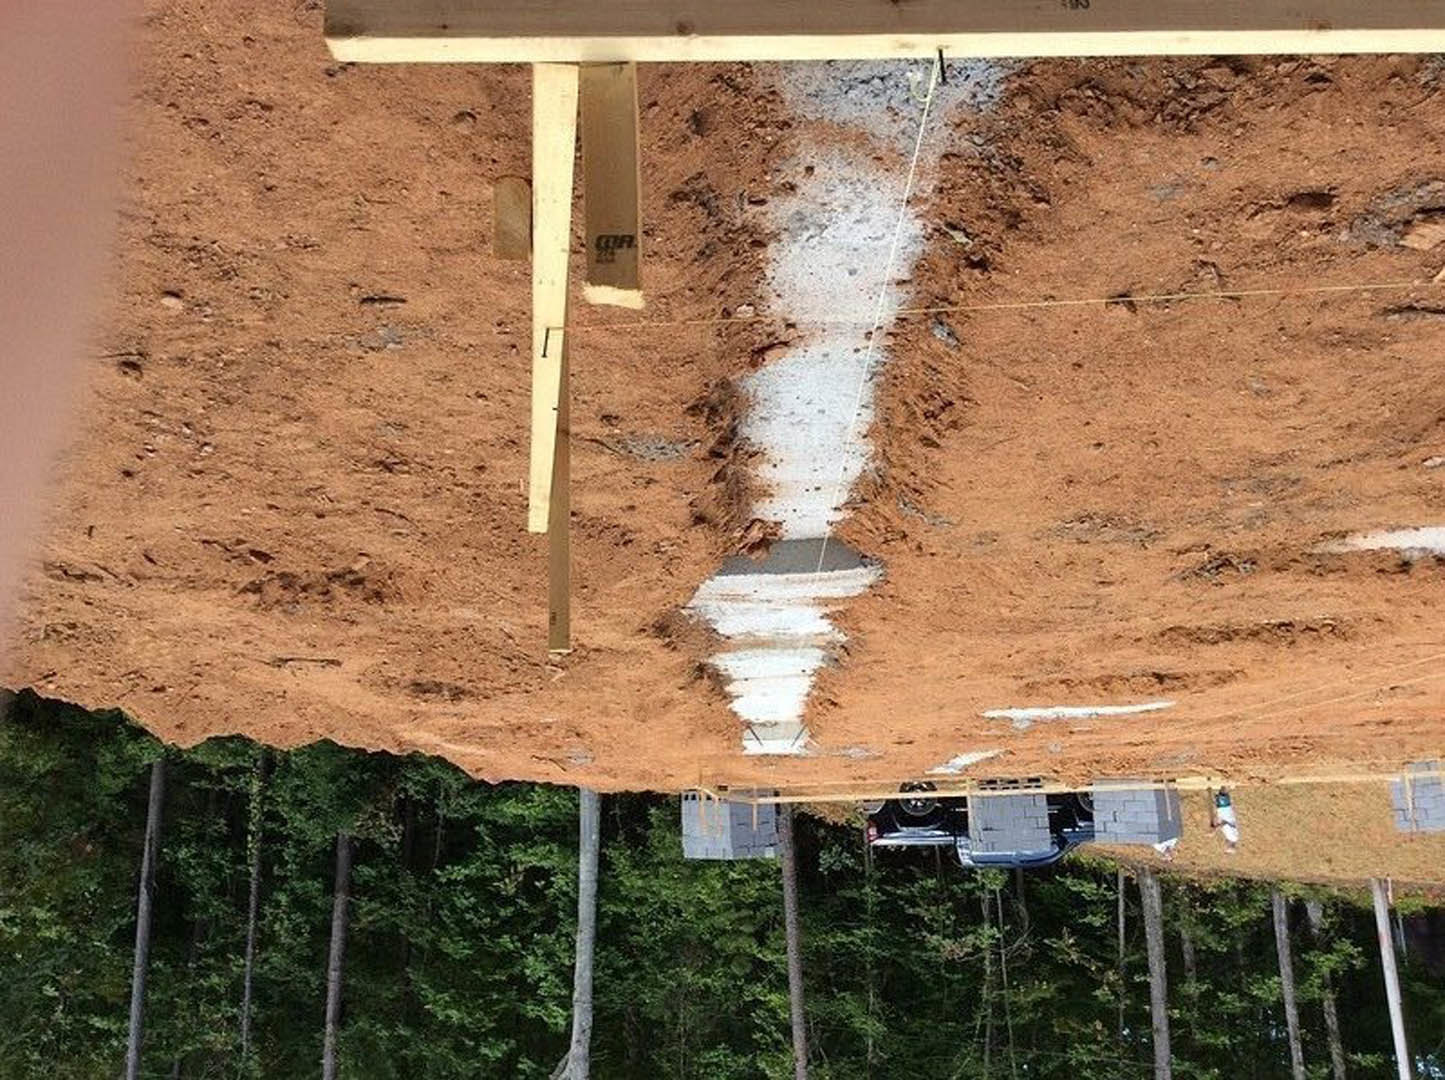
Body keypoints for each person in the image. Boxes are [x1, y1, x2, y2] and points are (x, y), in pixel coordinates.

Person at [1210, 787, 1240, 854]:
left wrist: (1215, 824)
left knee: (1222, 792)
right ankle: (1229, 781)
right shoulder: (1231, 837)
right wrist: (1214, 830)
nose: (1224, 845)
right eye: (1226, 846)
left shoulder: (1233, 837)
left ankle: (1228, 782)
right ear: (1229, 845)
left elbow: (1222, 823)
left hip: (1224, 810)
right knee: (1223, 791)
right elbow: (1224, 824)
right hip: (1225, 810)